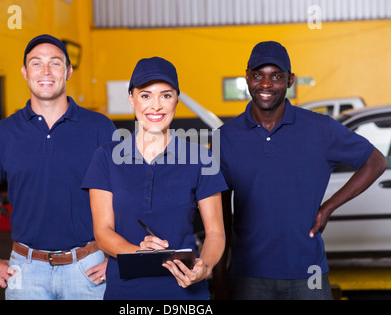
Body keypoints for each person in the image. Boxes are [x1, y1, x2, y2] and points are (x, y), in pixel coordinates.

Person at [213, 41, 387, 300]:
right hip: (248, 277)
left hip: (309, 274)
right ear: (247, 77)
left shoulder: (320, 129)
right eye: (258, 75)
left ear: (290, 80)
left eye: (276, 76)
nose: (266, 84)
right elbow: (220, 220)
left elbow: (376, 162)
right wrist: (219, 281)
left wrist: (328, 207)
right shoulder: (224, 138)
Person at [0, 34, 117, 300]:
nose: (45, 71)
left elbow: (126, 192)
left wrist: (118, 260)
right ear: (25, 72)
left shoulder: (99, 127)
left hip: (88, 267)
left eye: (55, 63)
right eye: (36, 63)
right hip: (25, 272)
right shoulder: (4, 132)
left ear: (69, 71)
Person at [81, 57, 227, 299]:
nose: (156, 106)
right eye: (146, 95)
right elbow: (103, 232)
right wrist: (138, 252)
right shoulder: (106, 157)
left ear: (176, 101)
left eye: (166, 95)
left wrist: (205, 266)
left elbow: (215, 233)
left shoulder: (201, 158)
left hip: (185, 293)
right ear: (132, 98)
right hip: (125, 293)